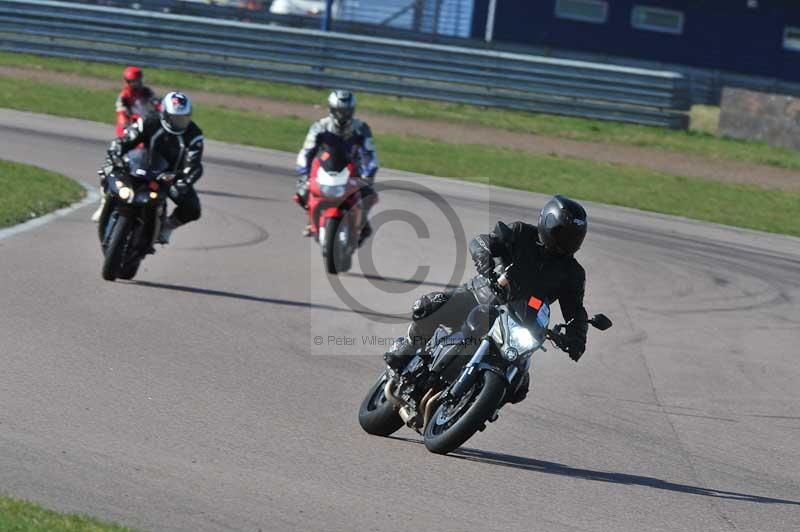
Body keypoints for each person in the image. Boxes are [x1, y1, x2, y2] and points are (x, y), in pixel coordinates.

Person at [384, 195, 590, 404]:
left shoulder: (573, 273)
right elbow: (482, 241)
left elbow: (575, 311)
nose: (567, 242)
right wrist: (484, 258)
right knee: (429, 306)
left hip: (518, 321)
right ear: (547, 224)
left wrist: (577, 338)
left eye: (574, 237)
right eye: (562, 233)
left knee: (519, 386)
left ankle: (474, 403)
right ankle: (408, 347)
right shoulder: (521, 233)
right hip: (479, 296)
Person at [102, 91, 204, 244]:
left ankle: (167, 226)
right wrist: (115, 154)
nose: (179, 122)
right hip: (140, 166)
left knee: (193, 209)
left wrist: (184, 181)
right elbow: (127, 139)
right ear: (164, 113)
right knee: (109, 173)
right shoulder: (149, 121)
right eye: (175, 118)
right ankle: (105, 202)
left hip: (170, 177)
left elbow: (194, 163)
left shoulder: (194, 135)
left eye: (183, 118)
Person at [294, 89, 379, 240]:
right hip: (326, 167)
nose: (343, 115)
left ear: (352, 111)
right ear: (331, 109)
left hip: (353, 169)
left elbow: (369, 152)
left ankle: (363, 223)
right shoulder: (320, 126)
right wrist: (303, 173)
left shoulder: (361, 128)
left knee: (368, 194)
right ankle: (310, 220)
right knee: (302, 192)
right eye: (339, 111)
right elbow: (307, 150)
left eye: (346, 111)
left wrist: (369, 172)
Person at [92, 66, 160, 222]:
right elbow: (121, 116)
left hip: (146, 132)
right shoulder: (123, 97)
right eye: (132, 81)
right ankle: (103, 204)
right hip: (129, 135)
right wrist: (127, 131)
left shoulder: (147, 93)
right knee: (108, 169)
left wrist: (159, 115)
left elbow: (157, 106)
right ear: (126, 81)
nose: (135, 84)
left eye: (137, 81)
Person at [115, 66, 160, 137]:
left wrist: (160, 109)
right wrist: (126, 126)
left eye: (139, 80)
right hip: (130, 125)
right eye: (135, 81)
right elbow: (121, 113)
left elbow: (157, 103)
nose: (139, 83)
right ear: (128, 82)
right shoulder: (124, 96)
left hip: (146, 121)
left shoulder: (146, 91)